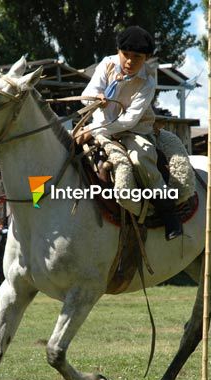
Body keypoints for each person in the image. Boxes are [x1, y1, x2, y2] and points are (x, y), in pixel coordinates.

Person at [78, 26, 182, 241]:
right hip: (100, 125)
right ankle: (41, 199)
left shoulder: (148, 81)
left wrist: (93, 130)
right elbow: (85, 96)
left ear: (146, 58)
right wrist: (95, 97)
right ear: (118, 51)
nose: (129, 61)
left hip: (133, 131)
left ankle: (168, 213)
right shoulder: (106, 64)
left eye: (137, 57)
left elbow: (129, 120)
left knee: (141, 158)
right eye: (125, 54)